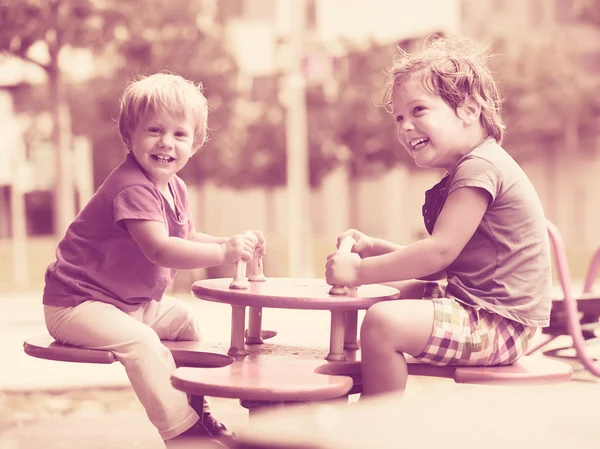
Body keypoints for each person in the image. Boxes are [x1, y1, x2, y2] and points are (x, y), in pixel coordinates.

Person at [42, 72, 265, 444]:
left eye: (179, 134)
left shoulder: (174, 186)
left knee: (183, 320)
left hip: (129, 303)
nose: (166, 142)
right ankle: (182, 433)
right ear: (128, 136)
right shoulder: (131, 187)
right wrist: (223, 253)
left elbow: (185, 238)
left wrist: (229, 241)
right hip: (78, 304)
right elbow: (160, 249)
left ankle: (196, 407)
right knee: (143, 343)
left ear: (195, 143)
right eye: (154, 131)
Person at [325, 36, 552, 397]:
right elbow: (440, 263)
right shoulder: (470, 168)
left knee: (383, 322)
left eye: (418, 110)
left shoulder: (480, 167)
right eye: (399, 117)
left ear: (468, 109)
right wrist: (375, 249)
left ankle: (373, 424)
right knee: (386, 295)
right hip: (480, 307)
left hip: (498, 324)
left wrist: (358, 271)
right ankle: (360, 372)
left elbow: (438, 253)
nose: (405, 126)